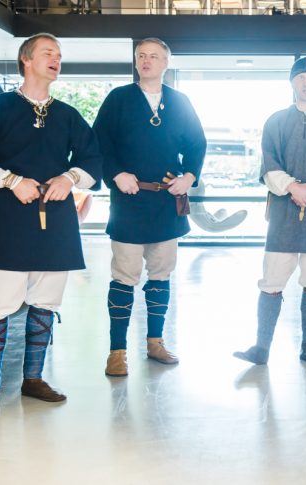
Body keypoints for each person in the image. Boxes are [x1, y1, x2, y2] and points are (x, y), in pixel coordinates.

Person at [0, 33, 102, 417]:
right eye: (48, 52)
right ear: (26, 60)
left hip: (57, 222)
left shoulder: (68, 115)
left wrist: (69, 178)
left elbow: (92, 159)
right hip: (8, 217)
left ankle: (33, 379)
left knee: (46, 301)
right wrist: (10, 180)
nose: (56, 59)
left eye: (59, 54)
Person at [94, 37, 206, 376]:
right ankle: (117, 352)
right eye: (141, 55)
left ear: (165, 63)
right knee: (124, 276)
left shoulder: (180, 102)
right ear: (135, 62)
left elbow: (197, 143)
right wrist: (116, 173)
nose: (146, 60)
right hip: (128, 203)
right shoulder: (118, 99)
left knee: (160, 274)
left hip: (165, 202)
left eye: (154, 56)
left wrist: (189, 176)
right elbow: (99, 142)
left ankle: (155, 342)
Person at [234, 57, 306, 367]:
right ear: (291, 82)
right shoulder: (275, 121)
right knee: (271, 281)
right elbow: (269, 164)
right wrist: (292, 188)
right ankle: (261, 348)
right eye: (300, 77)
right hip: (284, 215)